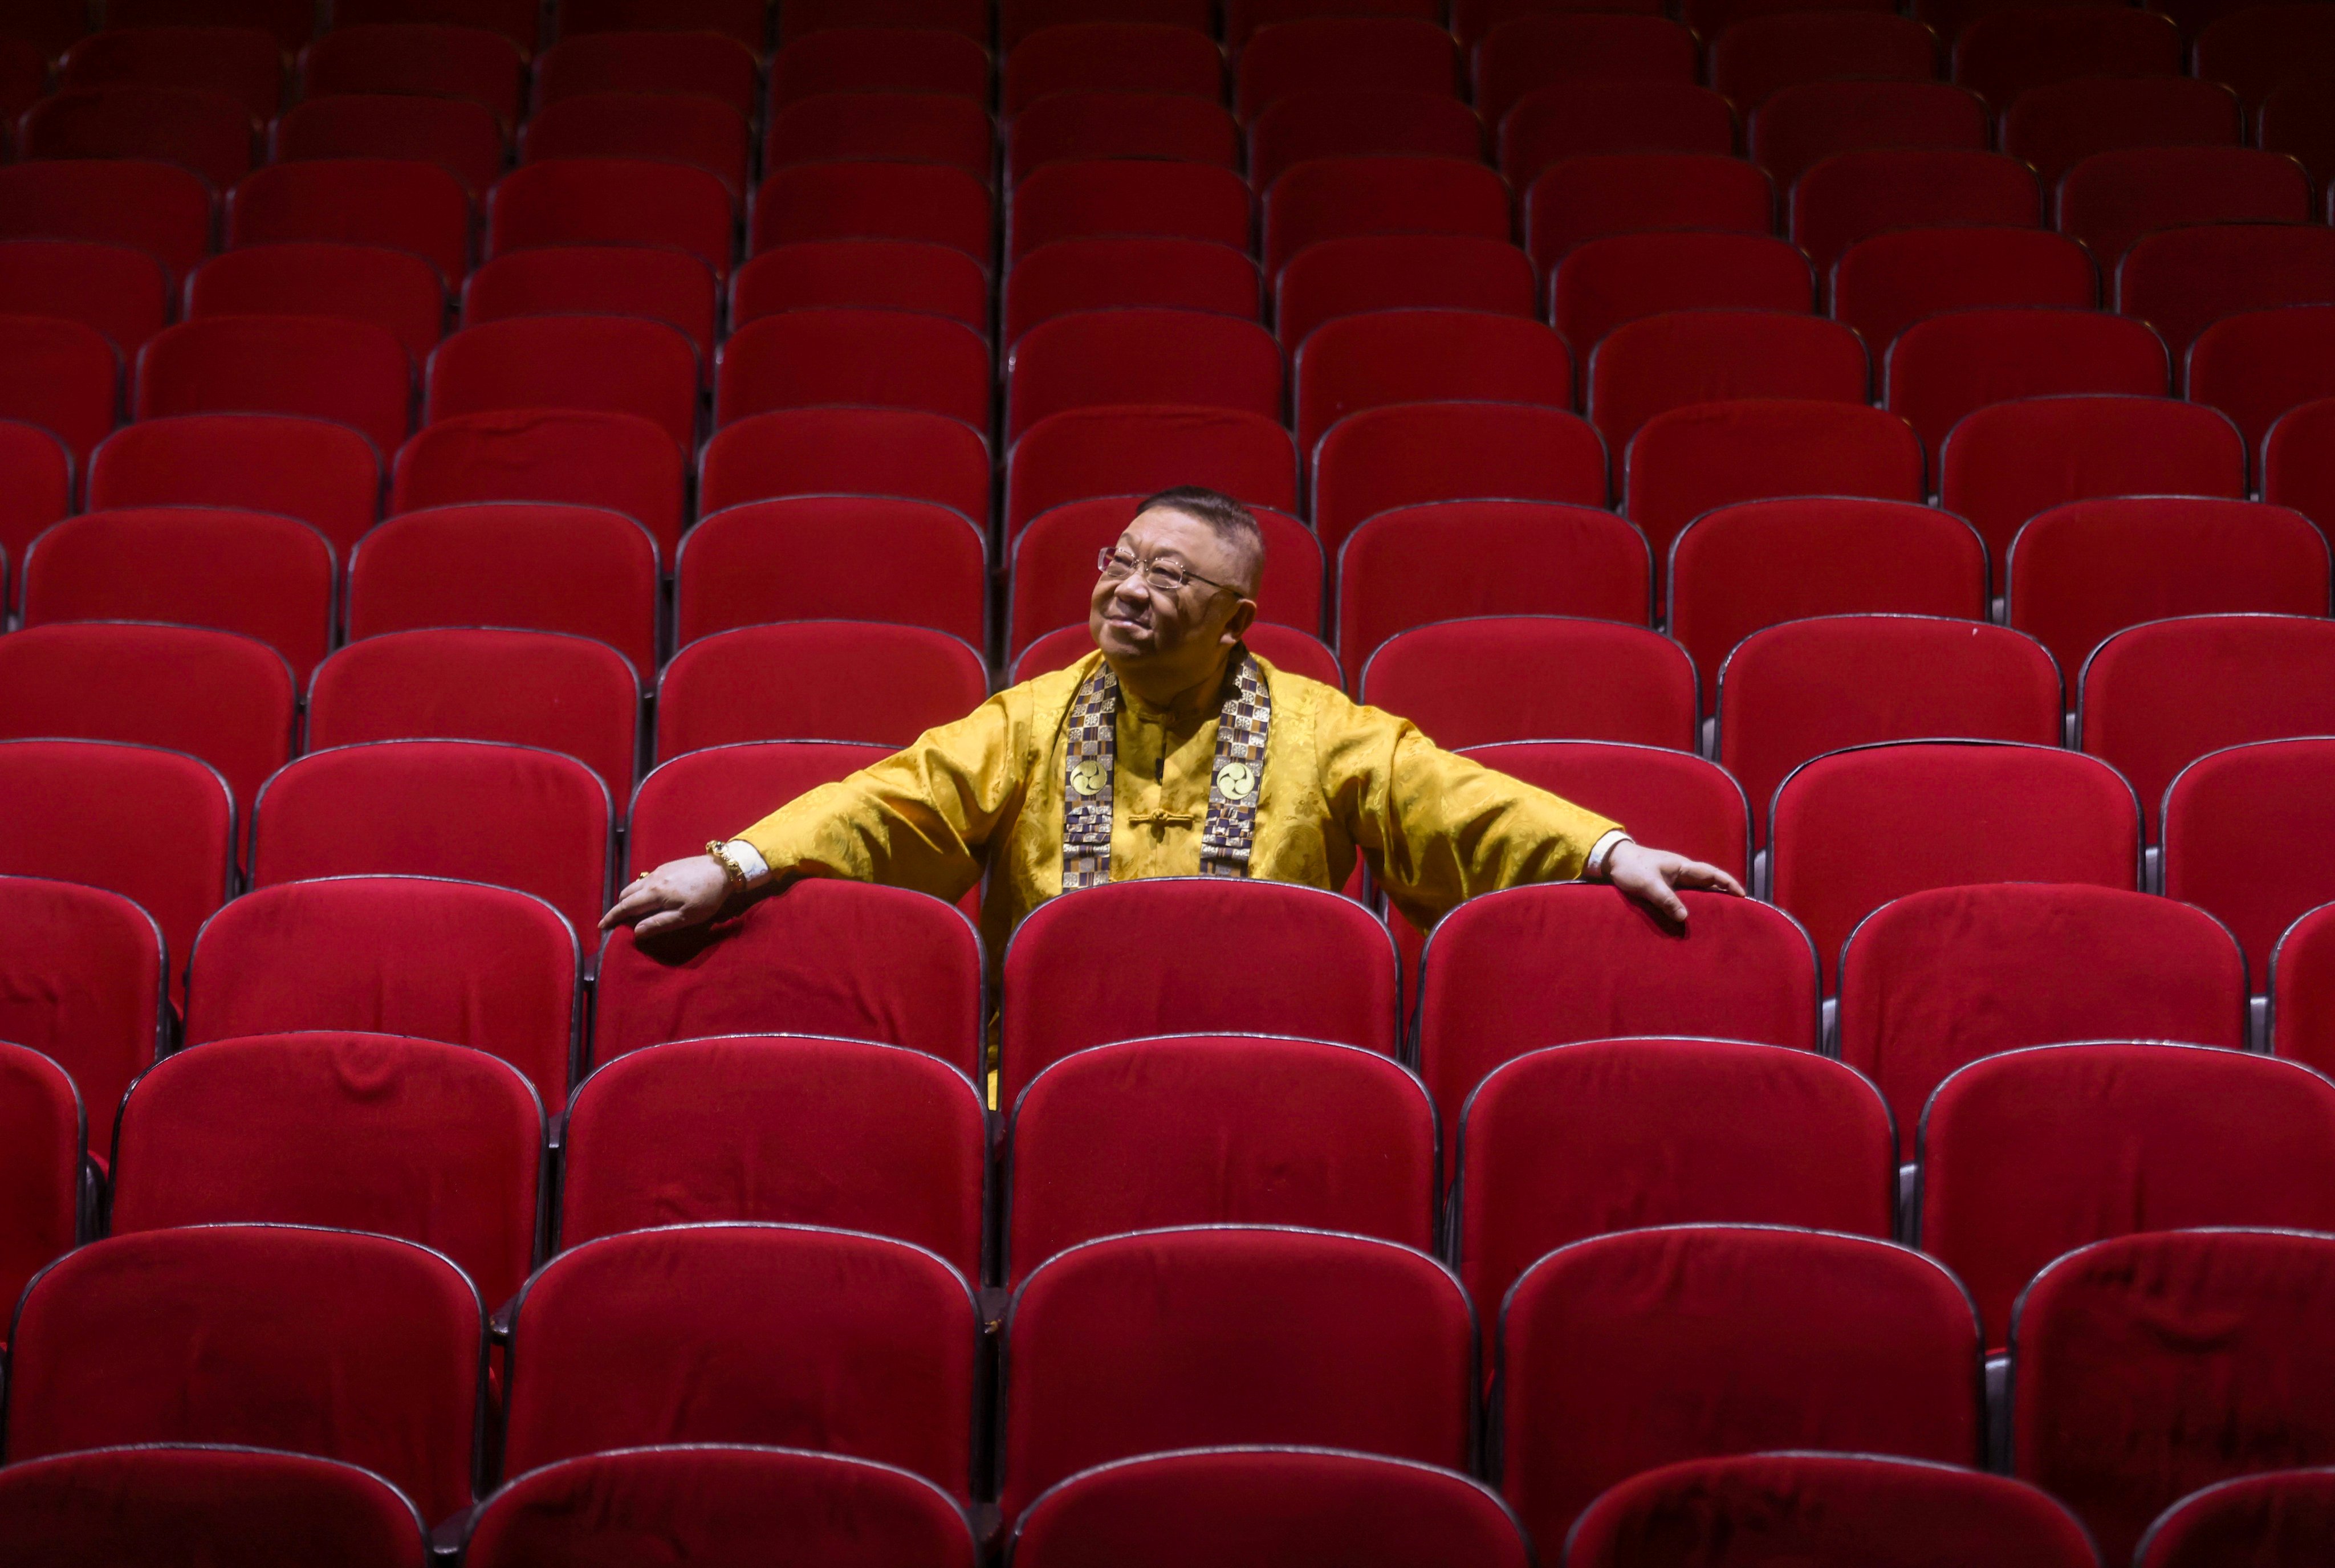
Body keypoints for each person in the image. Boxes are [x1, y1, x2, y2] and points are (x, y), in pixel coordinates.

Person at [604, 486, 1743, 948]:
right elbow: (881, 806)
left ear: (1236, 615)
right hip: (1048, 1072)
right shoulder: (1028, 717)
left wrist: (1608, 849)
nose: (1130, 589)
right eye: (1121, 561)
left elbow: (1460, 805)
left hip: (1278, 1067)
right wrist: (736, 865)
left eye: (1171, 577)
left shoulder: (1324, 728)